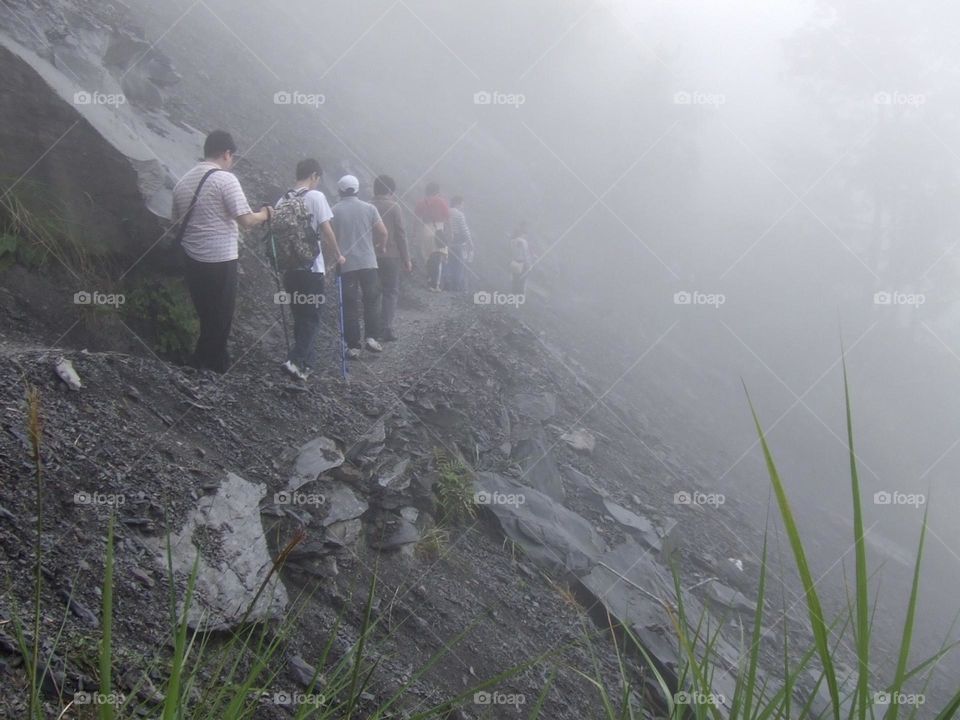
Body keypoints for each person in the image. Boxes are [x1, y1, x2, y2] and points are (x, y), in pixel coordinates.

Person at [172, 130, 271, 373]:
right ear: (226, 153)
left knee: (207, 314)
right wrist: (266, 213)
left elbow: (174, 222)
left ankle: (215, 364)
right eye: (232, 156)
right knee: (221, 318)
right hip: (220, 259)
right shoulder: (225, 180)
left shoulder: (183, 181)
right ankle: (203, 367)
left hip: (191, 259)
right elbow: (246, 220)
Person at [273, 158, 345, 380]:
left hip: (289, 271)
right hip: (311, 270)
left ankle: (305, 366)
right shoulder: (316, 196)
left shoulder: (282, 200)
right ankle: (295, 361)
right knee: (312, 318)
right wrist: (338, 255)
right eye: (318, 179)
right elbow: (327, 230)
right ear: (314, 175)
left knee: (300, 317)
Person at [331, 175, 388, 359]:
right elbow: (383, 232)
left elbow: (328, 239)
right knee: (371, 300)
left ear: (340, 190)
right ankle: (372, 337)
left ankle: (353, 346)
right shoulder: (369, 208)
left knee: (349, 304)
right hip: (368, 262)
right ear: (357, 189)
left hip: (346, 264)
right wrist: (381, 245)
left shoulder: (334, 211)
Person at [370, 175, 410, 342]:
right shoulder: (394, 207)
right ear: (391, 191)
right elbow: (401, 234)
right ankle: (386, 327)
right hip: (391, 256)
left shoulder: (367, 206)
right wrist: (406, 258)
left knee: (372, 293)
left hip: (370, 256)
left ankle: (371, 329)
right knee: (390, 292)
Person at [414, 182, 449, 292]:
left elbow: (416, 219)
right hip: (438, 229)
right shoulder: (441, 201)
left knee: (428, 257)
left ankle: (429, 280)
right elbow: (447, 218)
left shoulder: (421, 203)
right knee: (438, 257)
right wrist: (450, 232)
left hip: (425, 229)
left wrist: (414, 234)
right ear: (437, 191)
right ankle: (435, 284)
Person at [443, 195, 473, 292]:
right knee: (459, 264)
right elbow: (464, 229)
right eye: (462, 204)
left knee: (448, 262)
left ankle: (446, 283)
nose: (462, 206)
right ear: (458, 203)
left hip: (446, 240)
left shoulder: (446, 211)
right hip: (458, 241)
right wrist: (470, 242)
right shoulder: (459, 214)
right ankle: (456, 286)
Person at [509, 222, 532, 296]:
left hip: (514, 262)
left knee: (515, 279)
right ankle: (520, 296)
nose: (526, 236)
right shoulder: (523, 242)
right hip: (522, 264)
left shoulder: (512, 241)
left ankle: (513, 294)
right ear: (522, 234)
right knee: (522, 280)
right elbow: (526, 254)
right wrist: (529, 265)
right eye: (525, 234)